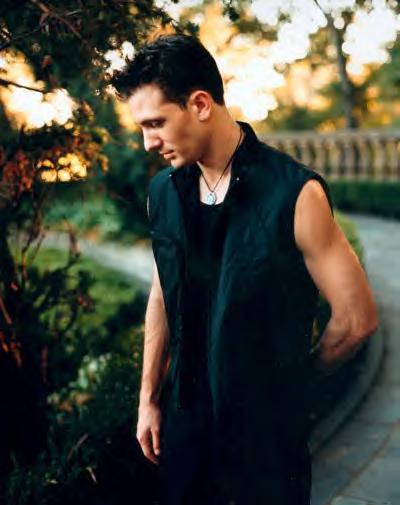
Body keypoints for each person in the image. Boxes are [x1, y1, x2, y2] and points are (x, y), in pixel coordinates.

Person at [111, 34, 379, 505]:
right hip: (185, 432)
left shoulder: (295, 193)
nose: (148, 142)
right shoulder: (163, 192)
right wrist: (148, 399)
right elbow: (162, 291)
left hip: (265, 445)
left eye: (155, 123)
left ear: (200, 104)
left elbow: (357, 319)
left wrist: (291, 385)